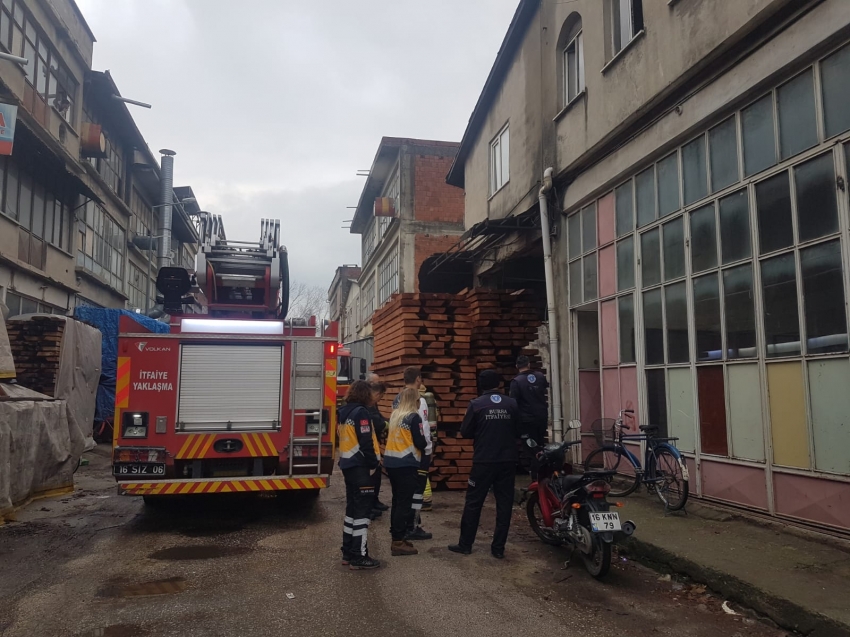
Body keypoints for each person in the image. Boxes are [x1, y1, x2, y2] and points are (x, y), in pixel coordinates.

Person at [448, 369, 520, 559]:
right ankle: (498, 549)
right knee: (504, 505)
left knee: (473, 502)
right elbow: (519, 429)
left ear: (481, 385)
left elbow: (465, 431)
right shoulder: (511, 404)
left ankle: (465, 544)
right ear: (499, 384)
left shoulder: (476, 404)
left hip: (483, 461)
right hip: (507, 461)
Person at [337, 380, 382, 570]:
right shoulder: (361, 413)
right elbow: (366, 442)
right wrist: (374, 463)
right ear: (365, 394)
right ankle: (359, 556)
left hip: (347, 465)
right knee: (362, 513)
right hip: (360, 467)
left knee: (352, 511)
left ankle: (348, 552)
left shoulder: (343, 411)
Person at [383, 387, 429, 556]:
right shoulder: (413, 417)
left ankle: (398, 535)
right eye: (418, 399)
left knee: (397, 501)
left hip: (391, 462)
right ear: (414, 401)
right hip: (406, 463)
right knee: (404, 503)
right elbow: (420, 442)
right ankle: (397, 541)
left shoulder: (396, 415)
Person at [393, 366, 432, 540]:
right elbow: (422, 426)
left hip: (399, 452)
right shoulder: (420, 400)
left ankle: (400, 527)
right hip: (417, 452)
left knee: (400, 494)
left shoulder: (397, 399)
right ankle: (412, 525)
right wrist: (428, 447)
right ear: (418, 379)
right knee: (416, 491)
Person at [510, 355, 549, 469]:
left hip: (526, 420)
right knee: (540, 445)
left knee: (531, 450)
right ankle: (543, 476)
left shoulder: (516, 382)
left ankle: (536, 479)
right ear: (529, 364)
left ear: (517, 366)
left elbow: (514, 403)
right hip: (541, 417)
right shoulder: (540, 377)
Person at [368, 381, 390, 518]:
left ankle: (374, 501)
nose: (381, 399)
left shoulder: (372, 404)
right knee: (370, 478)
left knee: (376, 476)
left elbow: (380, 417)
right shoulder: (367, 405)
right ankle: (369, 506)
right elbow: (377, 421)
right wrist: (388, 425)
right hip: (367, 446)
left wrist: (389, 421)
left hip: (373, 444)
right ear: (377, 393)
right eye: (381, 396)